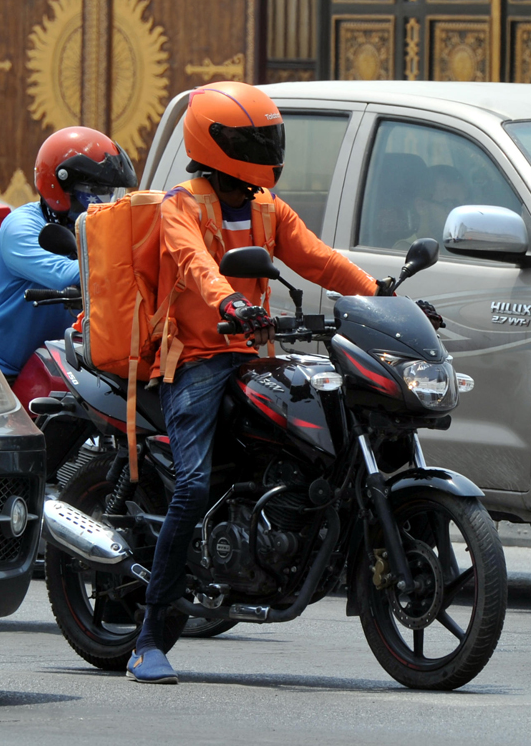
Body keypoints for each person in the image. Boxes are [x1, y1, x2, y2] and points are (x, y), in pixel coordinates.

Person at [126, 82, 383, 684]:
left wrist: (378, 295)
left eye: (269, 138)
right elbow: (196, 266)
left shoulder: (267, 206)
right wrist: (229, 305)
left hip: (256, 355)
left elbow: (317, 259)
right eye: (255, 141)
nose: (268, 150)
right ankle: (148, 637)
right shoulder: (179, 206)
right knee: (190, 487)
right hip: (197, 358)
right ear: (217, 145)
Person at [0, 127, 137, 379]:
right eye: (98, 191)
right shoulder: (21, 228)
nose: (108, 203)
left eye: (113, 193)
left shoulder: (89, 229)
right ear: (62, 187)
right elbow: (65, 274)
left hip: (41, 364)